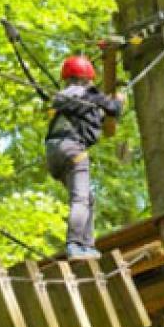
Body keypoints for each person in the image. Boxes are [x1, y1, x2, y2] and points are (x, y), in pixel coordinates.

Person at [45, 55, 126, 260]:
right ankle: (75, 244)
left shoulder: (62, 97)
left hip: (54, 153)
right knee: (80, 199)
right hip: (73, 150)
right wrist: (118, 100)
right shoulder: (87, 93)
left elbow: (90, 115)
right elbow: (113, 109)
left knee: (88, 198)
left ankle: (87, 246)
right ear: (87, 77)